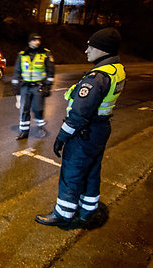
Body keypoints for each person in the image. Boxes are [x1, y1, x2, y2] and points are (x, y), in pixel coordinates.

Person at [35, 28, 125, 227]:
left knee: (73, 170)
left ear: (103, 50)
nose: (86, 51)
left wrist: (62, 136)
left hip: (85, 132)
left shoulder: (98, 77)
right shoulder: (117, 70)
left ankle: (63, 214)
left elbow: (79, 114)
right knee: (92, 169)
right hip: (100, 128)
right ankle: (87, 210)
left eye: (90, 47)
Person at [12, 33, 55, 140]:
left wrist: (48, 86)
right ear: (29, 41)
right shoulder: (22, 55)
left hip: (38, 87)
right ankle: (24, 132)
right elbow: (17, 73)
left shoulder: (45, 53)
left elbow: (51, 72)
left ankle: (41, 128)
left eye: (38, 40)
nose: (37, 42)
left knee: (37, 109)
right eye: (35, 40)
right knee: (24, 110)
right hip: (25, 87)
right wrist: (17, 94)